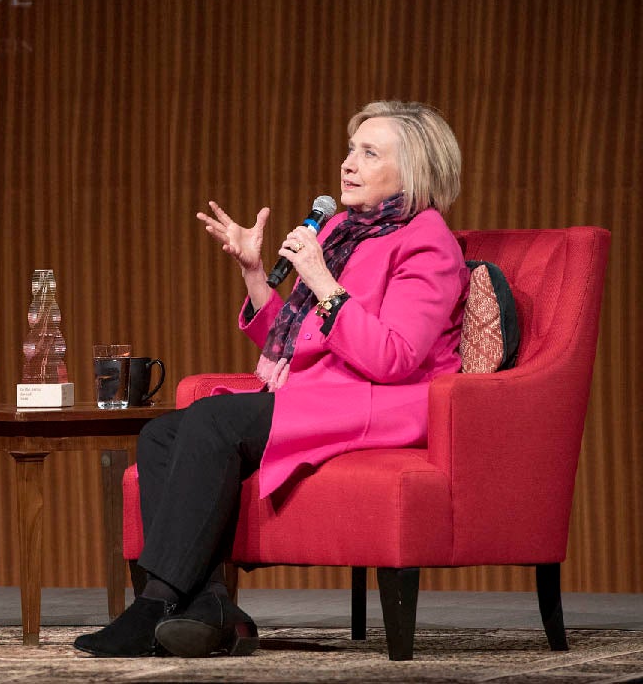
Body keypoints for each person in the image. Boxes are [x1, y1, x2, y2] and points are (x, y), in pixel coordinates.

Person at [75, 100, 467, 658]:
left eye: (369, 152)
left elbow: (394, 357)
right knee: (160, 434)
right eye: (351, 149)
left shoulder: (428, 244)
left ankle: (154, 605)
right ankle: (210, 606)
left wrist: (322, 280)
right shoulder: (345, 230)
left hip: (380, 402)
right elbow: (300, 340)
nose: (347, 164)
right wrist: (255, 273)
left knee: (213, 421)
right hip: (327, 392)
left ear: (414, 172)